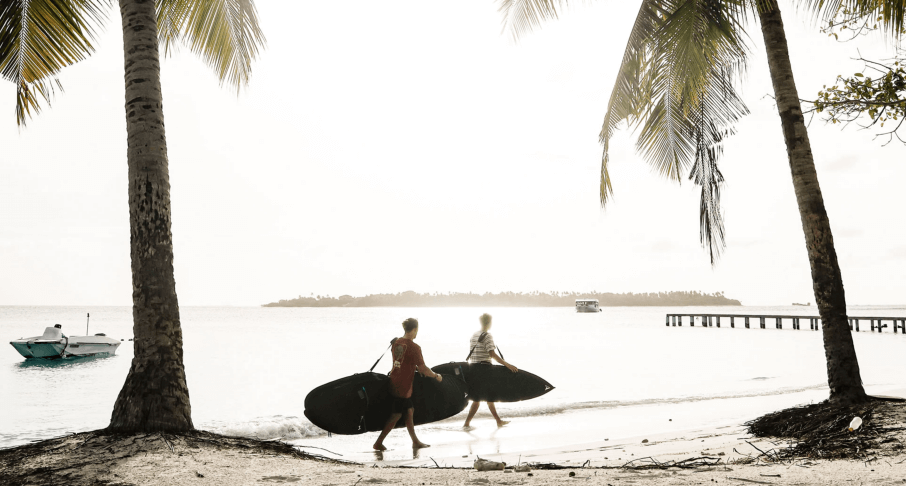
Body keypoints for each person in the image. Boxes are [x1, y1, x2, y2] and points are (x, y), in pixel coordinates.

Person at [373, 317, 442, 451]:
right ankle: (378, 442)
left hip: (393, 380)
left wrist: (413, 368)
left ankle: (415, 442)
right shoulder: (414, 347)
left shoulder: (396, 342)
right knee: (397, 414)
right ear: (415, 329)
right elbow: (423, 369)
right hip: (403, 386)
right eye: (417, 330)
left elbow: (402, 360)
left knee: (409, 411)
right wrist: (436, 376)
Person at [462, 313, 518, 429]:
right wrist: (507, 365)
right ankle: (495, 421)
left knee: (481, 397)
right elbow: (492, 354)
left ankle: (471, 423)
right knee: (486, 396)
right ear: (489, 323)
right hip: (484, 369)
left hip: (473, 369)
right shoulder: (487, 335)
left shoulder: (474, 335)